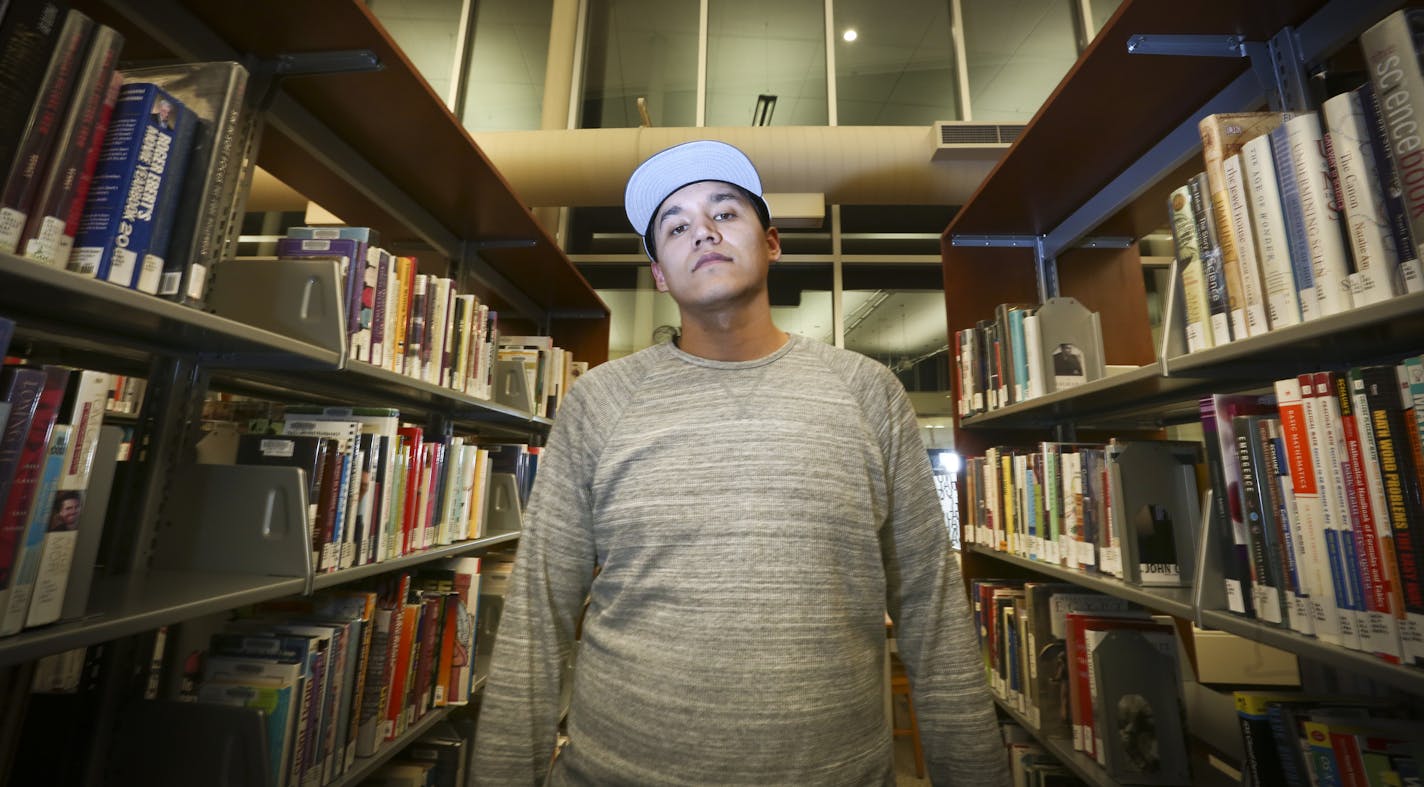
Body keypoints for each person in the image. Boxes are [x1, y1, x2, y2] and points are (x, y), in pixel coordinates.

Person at [472, 140, 1009, 786]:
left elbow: (932, 609)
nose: (702, 230)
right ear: (661, 275)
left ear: (772, 242)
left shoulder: (868, 393)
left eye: (725, 213)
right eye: (675, 226)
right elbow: (536, 616)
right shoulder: (599, 402)